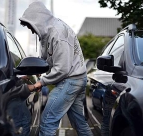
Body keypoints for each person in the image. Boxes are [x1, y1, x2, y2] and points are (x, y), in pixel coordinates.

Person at [19, 1, 93, 136]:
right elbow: (43, 61)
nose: (31, 30)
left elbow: (62, 68)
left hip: (70, 80)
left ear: (38, 19)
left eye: (30, 25)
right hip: (76, 79)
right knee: (79, 123)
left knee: (47, 122)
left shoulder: (58, 33)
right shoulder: (46, 34)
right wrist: (27, 73)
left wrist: (40, 83)